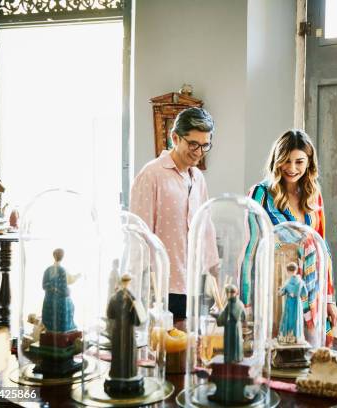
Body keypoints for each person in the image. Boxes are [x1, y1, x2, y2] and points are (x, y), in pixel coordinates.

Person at [248, 129, 337, 334]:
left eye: (299, 161)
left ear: (309, 162)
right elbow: (250, 250)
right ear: (277, 161)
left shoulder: (313, 195)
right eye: (286, 161)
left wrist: (329, 300)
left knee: (324, 357)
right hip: (277, 291)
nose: (291, 168)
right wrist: (247, 301)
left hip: (314, 291)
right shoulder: (261, 193)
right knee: (283, 356)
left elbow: (322, 248)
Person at [131, 107, 218, 318]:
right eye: (193, 144)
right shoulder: (151, 174)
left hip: (193, 285)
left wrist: (216, 279)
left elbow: (205, 230)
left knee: (189, 347)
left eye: (205, 145)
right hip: (160, 286)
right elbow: (139, 236)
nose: (199, 152)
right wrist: (140, 291)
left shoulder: (198, 178)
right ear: (175, 137)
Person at [105, 273, 145, 396]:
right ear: (129, 282)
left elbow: (109, 314)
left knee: (117, 350)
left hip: (117, 330)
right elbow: (138, 319)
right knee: (129, 351)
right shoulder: (131, 297)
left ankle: (117, 373)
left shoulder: (114, 296)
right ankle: (129, 374)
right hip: (128, 330)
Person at [41, 248, 79, 333]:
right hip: (59, 299)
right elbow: (66, 286)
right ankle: (65, 327)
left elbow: (44, 285)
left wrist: (52, 288)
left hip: (49, 299)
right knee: (71, 305)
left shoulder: (48, 270)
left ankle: (52, 329)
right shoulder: (62, 270)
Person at [278, 262, 307, 345]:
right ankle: (297, 337)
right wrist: (297, 293)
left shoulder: (287, 282)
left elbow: (281, 293)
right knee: (296, 318)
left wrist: (281, 290)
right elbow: (305, 293)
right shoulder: (301, 281)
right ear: (296, 270)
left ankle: (287, 337)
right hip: (297, 303)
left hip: (289, 303)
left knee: (288, 318)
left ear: (288, 271)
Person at [216, 284, 245, 364]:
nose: (228, 295)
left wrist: (218, 316)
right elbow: (244, 316)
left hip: (232, 327)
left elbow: (227, 315)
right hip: (233, 327)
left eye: (229, 293)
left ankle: (233, 358)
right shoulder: (236, 303)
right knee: (233, 343)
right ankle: (235, 358)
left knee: (233, 343)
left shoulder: (233, 304)